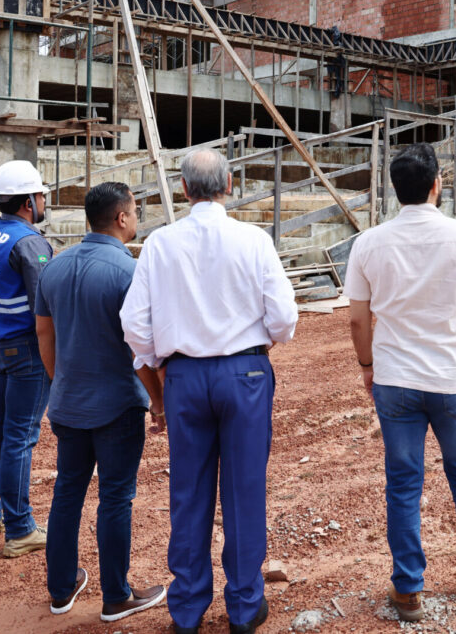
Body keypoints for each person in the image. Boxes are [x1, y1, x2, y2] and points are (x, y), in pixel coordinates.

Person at [121, 148, 296, 634]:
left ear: (183, 189)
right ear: (230, 184)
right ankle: (244, 606)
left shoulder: (160, 243)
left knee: (189, 491)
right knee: (244, 489)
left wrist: (162, 359)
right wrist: (258, 345)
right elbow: (284, 318)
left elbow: (133, 324)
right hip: (245, 374)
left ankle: (187, 609)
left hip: (185, 376)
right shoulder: (253, 240)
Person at [343, 143, 456, 623]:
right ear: (437, 184)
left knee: (403, 483)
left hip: (395, 379)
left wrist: (366, 366)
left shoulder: (369, 243)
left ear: (394, 190)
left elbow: (358, 321)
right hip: (453, 378)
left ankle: (408, 590)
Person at [36, 182, 164, 621]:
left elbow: (43, 333)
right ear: (122, 218)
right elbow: (140, 347)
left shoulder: (54, 266)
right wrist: (158, 401)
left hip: (68, 402)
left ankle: (61, 589)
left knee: (67, 492)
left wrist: (60, 383)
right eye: (134, 211)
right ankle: (116, 595)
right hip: (116, 405)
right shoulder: (128, 272)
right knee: (115, 496)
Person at [0, 159, 54, 557]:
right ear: (27, 202)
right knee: (19, 436)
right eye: (40, 195)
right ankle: (20, 528)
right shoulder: (30, 243)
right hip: (27, 351)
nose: (43, 201)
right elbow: (45, 308)